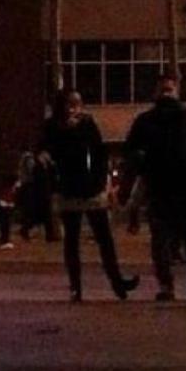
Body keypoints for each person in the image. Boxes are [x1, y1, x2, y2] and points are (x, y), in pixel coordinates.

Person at [42, 91, 139, 302]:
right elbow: (45, 153)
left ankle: (117, 283)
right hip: (68, 188)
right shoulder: (52, 127)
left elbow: (99, 152)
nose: (73, 109)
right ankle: (76, 288)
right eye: (70, 104)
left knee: (104, 238)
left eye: (77, 104)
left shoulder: (86, 124)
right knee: (72, 240)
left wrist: (99, 181)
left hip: (90, 188)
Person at [123, 75, 186, 302]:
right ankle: (168, 285)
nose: (167, 94)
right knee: (162, 240)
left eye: (170, 89)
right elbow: (131, 151)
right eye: (163, 90)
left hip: (184, 188)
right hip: (159, 188)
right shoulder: (146, 121)